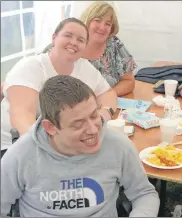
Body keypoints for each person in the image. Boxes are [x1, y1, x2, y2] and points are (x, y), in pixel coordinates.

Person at [1, 75, 160, 217]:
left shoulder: (118, 145)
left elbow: (144, 193)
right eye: (78, 124)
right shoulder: (20, 155)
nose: (93, 130)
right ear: (50, 128)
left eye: (94, 115)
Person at [1, 18, 117, 156]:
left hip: (65, 144)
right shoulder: (30, 67)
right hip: (14, 145)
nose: (73, 42)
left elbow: (108, 93)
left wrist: (104, 114)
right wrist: (48, 150)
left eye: (80, 40)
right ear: (54, 38)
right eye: (68, 35)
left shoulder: (84, 67)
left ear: (85, 46)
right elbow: (21, 114)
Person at [79, 1, 136, 97]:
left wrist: (107, 95)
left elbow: (129, 81)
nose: (102, 27)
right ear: (87, 21)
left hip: (108, 104)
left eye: (108, 24)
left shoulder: (114, 44)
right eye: (97, 20)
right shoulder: (72, 44)